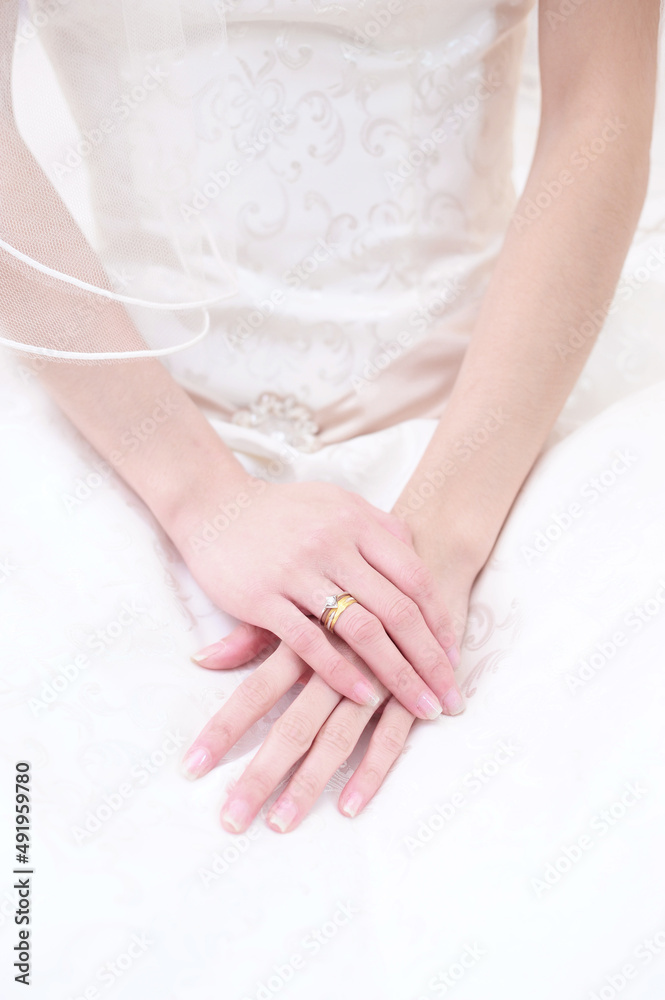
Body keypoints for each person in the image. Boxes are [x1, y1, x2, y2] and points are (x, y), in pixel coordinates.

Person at [0, 0, 661, 825]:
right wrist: (205, 501)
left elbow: (597, 111)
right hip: (124, 418)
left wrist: (430, 549)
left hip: (492, 433)